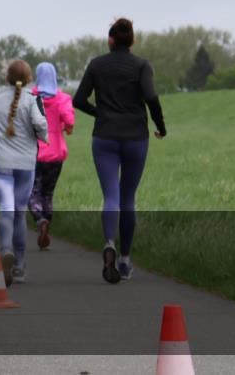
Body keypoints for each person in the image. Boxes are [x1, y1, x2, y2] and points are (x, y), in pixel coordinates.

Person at [73, 17, 167, 283]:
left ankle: (109, 242)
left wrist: (99, 112)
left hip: (104, 137)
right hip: (136, 137)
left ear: (110, 40)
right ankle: (125, 261)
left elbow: (79, 100)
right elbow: (150, 96)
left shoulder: (96, 65)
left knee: (110, 197)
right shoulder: (142, 66)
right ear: (132, 41)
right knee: (128, 199)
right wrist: (160, 126)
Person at [0, 59, 48, 286]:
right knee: (20, 212)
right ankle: (19, 266)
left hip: (2, 163)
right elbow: (41, 126)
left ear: (6, 77)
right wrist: (42, 136)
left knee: (5, 210)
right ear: (29, 79)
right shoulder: (32, 101)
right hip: (26, 164)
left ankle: (5, 250)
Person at [29, 62, 75, 250]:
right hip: (55, 154)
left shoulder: (30, 97)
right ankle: (47, 220)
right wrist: (67, 128)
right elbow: (70, 121)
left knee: (32, 193)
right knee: (48, 193)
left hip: (34, 154)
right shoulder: (63, 99)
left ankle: (40, 220)